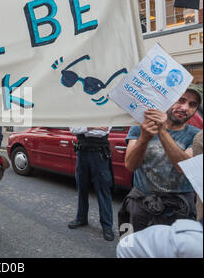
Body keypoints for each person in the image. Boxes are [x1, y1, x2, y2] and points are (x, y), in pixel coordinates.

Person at [119, 84, 202, 234]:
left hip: (180, 209)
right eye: (180, 100)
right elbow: (130, 165)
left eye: (192, 104)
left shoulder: (196, 135)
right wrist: (144, 138)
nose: (184, 108)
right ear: (168, 100)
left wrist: (162, 131)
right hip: (142, 205)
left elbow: (183, 167)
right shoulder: (140, 127)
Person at [68, 126, 115, 241]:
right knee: (81, 188)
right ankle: (81, 218)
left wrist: (84, 128)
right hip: (82, 152)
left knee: (103, 190)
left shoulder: (105, 108)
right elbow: (73, 129)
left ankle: (107, 226)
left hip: (99, 153)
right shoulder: (78, 109)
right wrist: (92, 126)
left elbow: (104, 130)